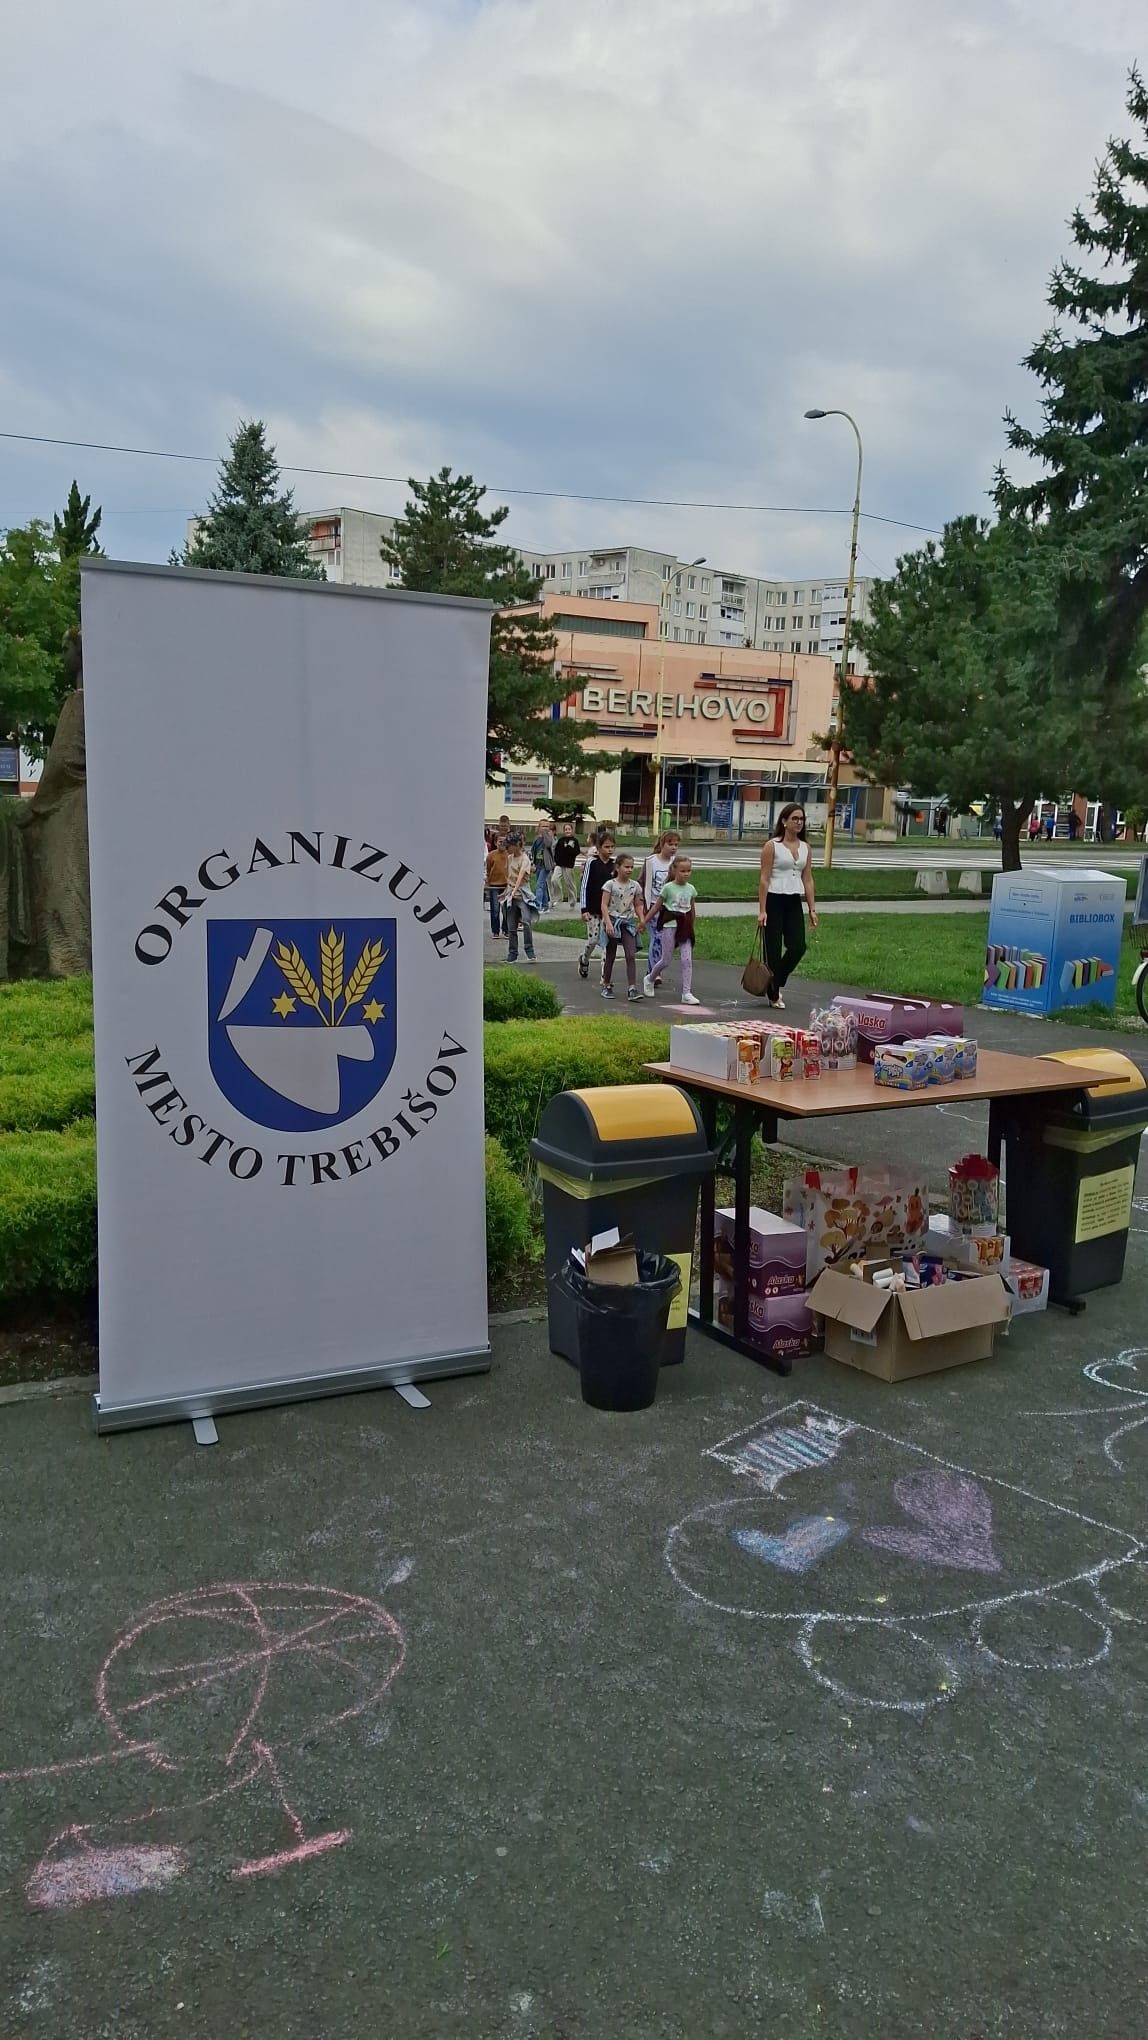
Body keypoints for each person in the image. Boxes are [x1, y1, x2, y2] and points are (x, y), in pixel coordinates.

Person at [756, 804, 818, 1011]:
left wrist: (812, 908)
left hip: (793, 900)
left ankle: (774, 982)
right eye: (794, 818)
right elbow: (764, 879)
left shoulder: (805, 848)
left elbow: (807, 879)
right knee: (772, 950)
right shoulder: (772, 846)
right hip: (773, 899)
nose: (799, 822)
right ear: (784, 821)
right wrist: (762, 910)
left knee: (798, 946)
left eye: (801, 819)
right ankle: (773, 994)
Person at [644, 852, 700, 1005]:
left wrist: (692, 925)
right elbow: (656, 907)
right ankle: (650, 978)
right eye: (682, 871)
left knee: (687, 960)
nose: (686, 874)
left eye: (688, 871)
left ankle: (686, 992)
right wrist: (644, 921)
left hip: (684, 926)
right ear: (674, 870)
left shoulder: (691, 889)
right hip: (670, 925)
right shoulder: (668, 888)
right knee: (666, 959)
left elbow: (692, 909)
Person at [600, 853, 647, 1002]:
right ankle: (606, 984)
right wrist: (608, 923)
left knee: (631, 955)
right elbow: (604, 905)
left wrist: (642, 919)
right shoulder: (610, 885)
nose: (629, 870)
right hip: (613, 921)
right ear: (617, 867)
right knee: (611, 954)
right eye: (626, 867)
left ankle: (632, 988)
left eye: (632, 867)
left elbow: (638, 904)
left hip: (628, 923)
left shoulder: (635, 886)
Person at [640, 829, 681, 977]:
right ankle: (653, 972)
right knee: (656, 938)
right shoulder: (651, 861)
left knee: (667, 940)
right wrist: (643, 905)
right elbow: (643, 882)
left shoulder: (675, 862)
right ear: (662, 844)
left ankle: (655, 969)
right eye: (670, 844)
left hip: (670, 908)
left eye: (676, 844)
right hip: (653, 905)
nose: (674, 847)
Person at [577, 830, 616, 981]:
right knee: (593, 941)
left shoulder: (614, 865)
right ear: (598, 848)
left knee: (605, 943)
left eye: (612, 847)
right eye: (606, 847)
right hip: (592, 909)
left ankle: (604, 976)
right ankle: (584, 958)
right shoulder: (591, 863)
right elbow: (584, 886)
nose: (610, 850)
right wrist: (584, 909)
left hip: (608, 911)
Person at [503, 833, 536, 964]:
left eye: (510, 846)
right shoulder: (509, 858)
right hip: (511, 893)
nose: (508, 848)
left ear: (517, 845)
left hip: (522, 894)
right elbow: (507, 874)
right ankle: (512, 953)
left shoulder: (525, 859)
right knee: (511, 926)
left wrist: (515, 890)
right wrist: (508, 890)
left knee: (526, 922)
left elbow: (521, 877)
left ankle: (529, 950)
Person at [484, 830, 509, 938]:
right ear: (495, 842)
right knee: (495, 909)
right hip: (494, 885)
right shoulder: (491, 855)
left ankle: (506, 930)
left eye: (504, 842)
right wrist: (487, 881)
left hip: (506, 885)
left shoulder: (509, 855)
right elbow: (488, 869)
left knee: (506, 909)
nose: (502, 844)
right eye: (500, 842)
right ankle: (495, 930)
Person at [552, 821, 581, 906]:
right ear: (564, 831)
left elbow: (576, 852)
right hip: (559, 864)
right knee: (554, 880)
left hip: (568, 865)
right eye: (566, 829)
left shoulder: (574, 841)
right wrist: (555, 861)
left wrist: (569, 847)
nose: (567, 831)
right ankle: (558, 898)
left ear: (572, 830)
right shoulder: (561, 840)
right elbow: (557, 851)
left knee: (569, 883)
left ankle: (572, 900)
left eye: (569, 829)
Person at [530, 820, 556, 912]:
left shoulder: (549, 838)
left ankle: (538, 905)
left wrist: (545, 834)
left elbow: (548, 844)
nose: (545, 828)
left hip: (546, 865)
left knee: (539, 885)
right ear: (539, 827)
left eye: (547, 826)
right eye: (543, 826)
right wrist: (532, 863)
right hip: (538, 864)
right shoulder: (536, 839)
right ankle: (545, 906)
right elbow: (533, 851)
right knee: (542, 885)